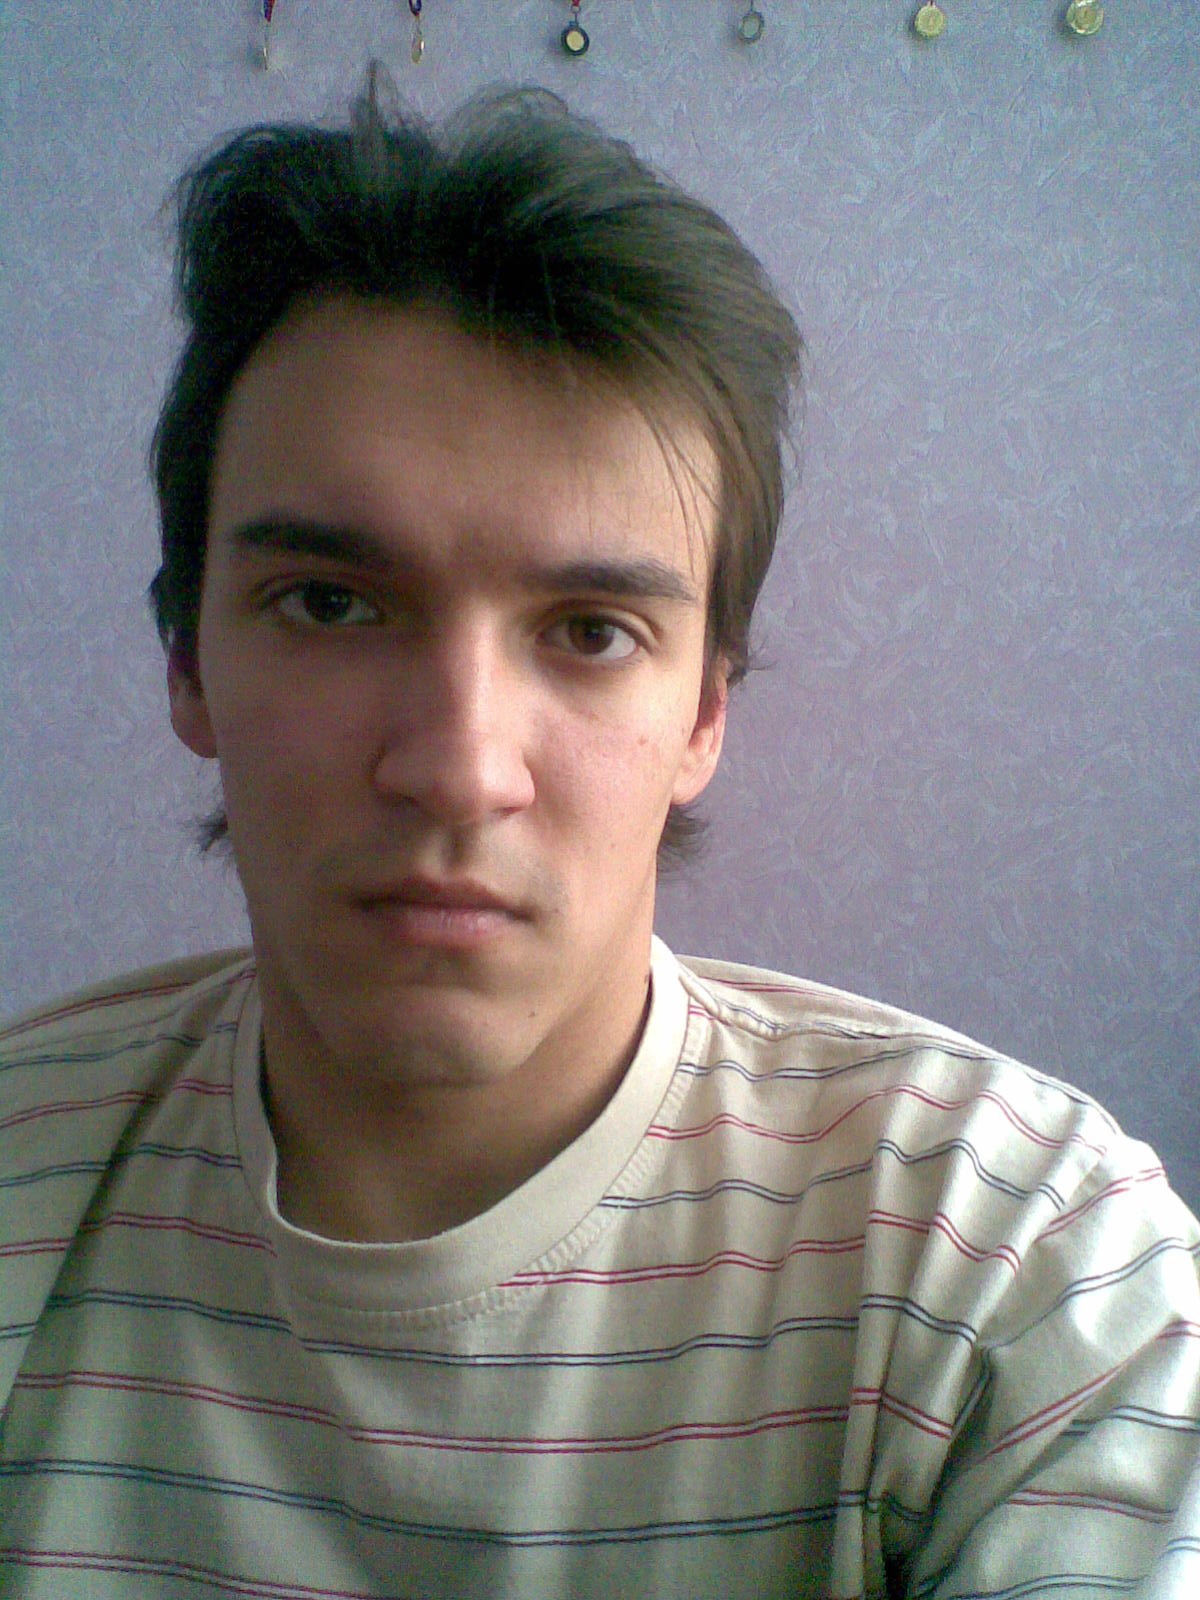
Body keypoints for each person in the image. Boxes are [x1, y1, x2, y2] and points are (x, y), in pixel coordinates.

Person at [1, 70, 1197, 1600]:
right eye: (332, 603)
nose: (458, 769)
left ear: (704, 713)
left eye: (588, 630)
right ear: (188, 666)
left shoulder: (1025, 1263)